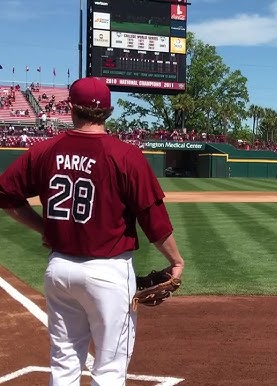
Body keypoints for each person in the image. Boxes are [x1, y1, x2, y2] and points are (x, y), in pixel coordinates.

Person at [0, 77, 185, 386]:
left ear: (71, 108)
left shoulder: (44, 151)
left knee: (64, 361)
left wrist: (43, 227)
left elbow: (6, 197)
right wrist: (176, 261)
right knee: (110, 368)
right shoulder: (125, 155)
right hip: (108, 273)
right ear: (108, 112)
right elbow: (155, 221)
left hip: (59, 270)